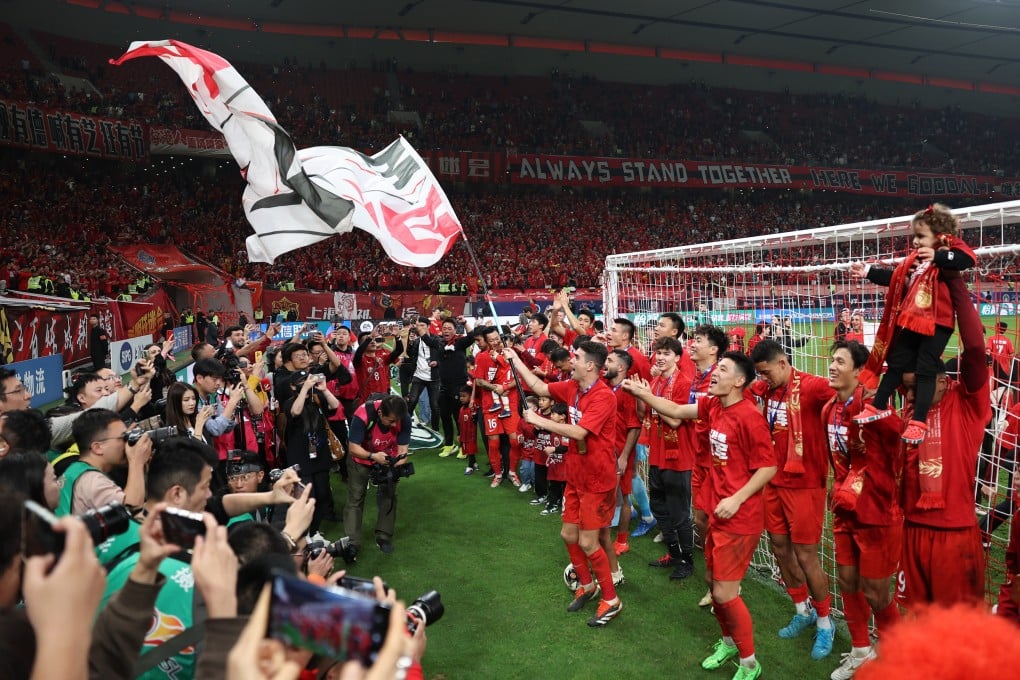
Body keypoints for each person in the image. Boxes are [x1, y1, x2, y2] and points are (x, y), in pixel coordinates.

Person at [625, 352, 777, 680]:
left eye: (723, 369)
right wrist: (643, 394)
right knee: (712, 582)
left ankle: (750, 663)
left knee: (724, 593)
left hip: (741, 517)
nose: (714, 373)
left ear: (739, 381)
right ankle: (729, 643)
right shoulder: (712, 405)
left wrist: (736, 498)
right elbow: (677, 410)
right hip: (717, 510)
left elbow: (768, 467)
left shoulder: (749, 416)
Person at [889, 272, 990, 609]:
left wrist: (953, 280)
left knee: (957, 627)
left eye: (916, 388)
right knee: (917, 620)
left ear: (944, 382)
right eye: (906, 389)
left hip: (954, 534)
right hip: (912, 530)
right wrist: (908, 289)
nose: (909, 396)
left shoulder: (967, 403)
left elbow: (974, 348)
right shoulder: (912, 408)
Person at [506, 341, 622, 627]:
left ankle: (612, 600)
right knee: (569, 535)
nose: (572, 359)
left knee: (588, 541)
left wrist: (540, 421)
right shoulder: (572, 387)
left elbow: (580, 432)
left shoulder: (603, 396)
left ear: (590, 366)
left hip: (597, 480)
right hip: (576, 475)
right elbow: (540, 387)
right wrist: (515, 361)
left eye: (577, 357)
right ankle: (587, 585)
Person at [851, 203, 977, 445]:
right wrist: (869, 272)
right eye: (915, 237)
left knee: (925, 368)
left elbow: (968, 259)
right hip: (913, 319)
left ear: (939, 236)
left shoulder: (945, 255)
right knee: (896, 361)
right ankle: (878, 405)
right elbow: (897, 279)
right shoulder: (916, 262)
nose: (916, 242)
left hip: (938, 322)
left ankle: (919, 422)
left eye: (921, 236)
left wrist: (939, 256)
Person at [749, 339, 836, 659]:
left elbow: (848, 394)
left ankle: (825, 622)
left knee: (806, 555)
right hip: (773, 481)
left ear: (783, 364)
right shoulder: (767, 389)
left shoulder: (813, 387)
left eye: (767, 372)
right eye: (760, 373)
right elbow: (752, 386)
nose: (763, 378)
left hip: (805, 484)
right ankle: (802, 610)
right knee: (779, 548)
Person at [822, 340, 905, 680]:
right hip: (845, 509)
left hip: (877, 512)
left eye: (840, 362)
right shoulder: (828, 409)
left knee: (876, 591)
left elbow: (899, 441)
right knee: (847, 580)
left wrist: (880, 407)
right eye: (832, 360)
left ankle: (896, 653)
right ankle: (859, 650)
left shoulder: (874, 407)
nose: (832, 366)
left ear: (859, 371)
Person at [641, 336, 697, 581]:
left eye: (666, 353)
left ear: (677, 357)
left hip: (678, 457)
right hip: (657, 454)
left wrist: (648, 397)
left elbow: (675, 420)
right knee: (658, 507)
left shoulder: (685, 383)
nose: (661, 357)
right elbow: (646, 413)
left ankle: (687, 560)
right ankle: (674, 553)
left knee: (679, 513)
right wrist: (641, 396)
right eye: (658, 353)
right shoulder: (654, 382)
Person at [344, 394, 412, 555]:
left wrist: (396, 466)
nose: (394, 424)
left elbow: (403, 449)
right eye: (391, 421)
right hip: (361, 457)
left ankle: (384, 536)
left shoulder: (404, 417)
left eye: (397, 421)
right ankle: (352, 542)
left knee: (389, 493)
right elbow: (353, 448)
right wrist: (373, 456)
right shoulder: (363, 414)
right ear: (380, 413)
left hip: (387, 457)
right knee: (356, 497)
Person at [57, 408, 153, 516]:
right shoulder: (92, 481)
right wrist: (136, 462)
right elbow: (131, 509)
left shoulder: (75, 470)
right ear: (97, 447)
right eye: (123, 437)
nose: (127, 443)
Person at [282, 370, 340, 533]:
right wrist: (305, 390)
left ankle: (315, 530)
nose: (305, 383)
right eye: (301, 382)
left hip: (320, 455)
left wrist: (324, 389)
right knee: (307, 496)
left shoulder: (317, 398)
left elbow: (335, 405)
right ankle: (306, 532)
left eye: (306, 380)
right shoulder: (290, 403)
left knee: (322, 494)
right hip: (300, 458)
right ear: (293, 386)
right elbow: (295, 412)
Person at [473, 327, 524, 488]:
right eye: (492, 340)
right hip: (491, 407)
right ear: (486, 342)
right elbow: (479, 381)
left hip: (511, 405)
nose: (496, 342)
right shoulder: (481, 357)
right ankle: (497, 474)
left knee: (516, 441)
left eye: (497, 338)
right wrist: (495, 388)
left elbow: (520, 378)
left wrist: (505, 387)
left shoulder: (511, 353)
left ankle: (512, 472)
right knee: (493, 444)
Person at [604, 350, 641, 558]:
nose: (605, 363)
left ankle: (622, 541)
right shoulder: (606, 386)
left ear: (620, 367)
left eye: (609, 361)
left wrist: (624, 456)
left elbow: (634, 427)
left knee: (624, 496)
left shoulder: (627, 390)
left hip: (620, 451)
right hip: (604, 450)